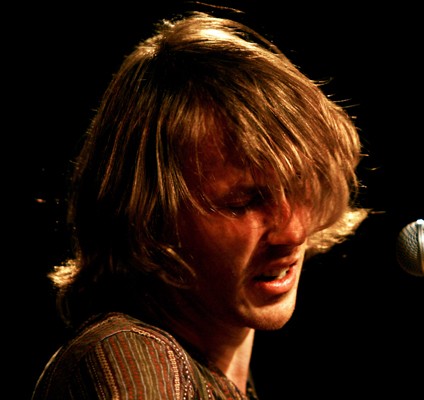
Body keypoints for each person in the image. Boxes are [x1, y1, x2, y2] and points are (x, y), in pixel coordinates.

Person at [31, 9, 369, 400]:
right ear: (151, 219)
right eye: (244, 202)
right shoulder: (132, 355)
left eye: (299, 185)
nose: (293, 232)